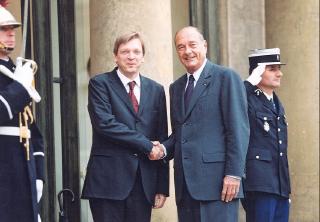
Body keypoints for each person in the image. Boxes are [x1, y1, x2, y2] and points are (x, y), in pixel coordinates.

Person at [159, 26, 249, 222]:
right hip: (185, 186)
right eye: (181, 47)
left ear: (205, 46)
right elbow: (180, 134)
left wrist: (234, 174)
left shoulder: (226, 77)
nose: (187, 51)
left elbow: (238, 130)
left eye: (192, 45)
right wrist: (163, 149)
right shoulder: (176, 87)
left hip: (219, 184)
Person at [81, 32, 169, 222]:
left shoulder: (156, 90)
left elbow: (161, 135)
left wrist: (162, 186)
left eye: (136, 51)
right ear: (115, 56)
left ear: (143, 57)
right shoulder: (100, 84)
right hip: (108, 183)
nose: (131, 56)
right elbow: (106, 124)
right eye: (125, 51)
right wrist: (147, 145)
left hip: (143, 184)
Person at [0, 5, 44, 222]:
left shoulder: (18, 70)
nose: (10, 34)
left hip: (23, 170)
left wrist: (39, 175)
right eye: (3, 29)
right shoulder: (17, 78)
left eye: (12, 29)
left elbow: (31, 129)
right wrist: (19, 88)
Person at [241, 48, 291, 222]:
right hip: (259, 184)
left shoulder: (277, 103)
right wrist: (247, 84)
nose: (280, 74)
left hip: (279, 185)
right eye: (272, 69)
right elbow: (231, 103)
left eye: (279, 68)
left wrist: (285, 189)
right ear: (258, 72)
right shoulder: (247, 98)